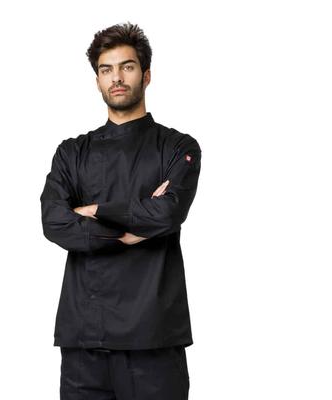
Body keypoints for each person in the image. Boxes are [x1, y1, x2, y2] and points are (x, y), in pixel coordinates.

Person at [40, 21, 202, 400]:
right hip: (84, 339)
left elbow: (168, 213)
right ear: (97, 80)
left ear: (146, 75)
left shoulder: (178, 147)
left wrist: (94, 209)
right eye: (106, 69)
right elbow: (54, 221)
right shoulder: (72, 152)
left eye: (127, 67)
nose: (116, 78)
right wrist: (131, 230)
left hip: (153, 337)